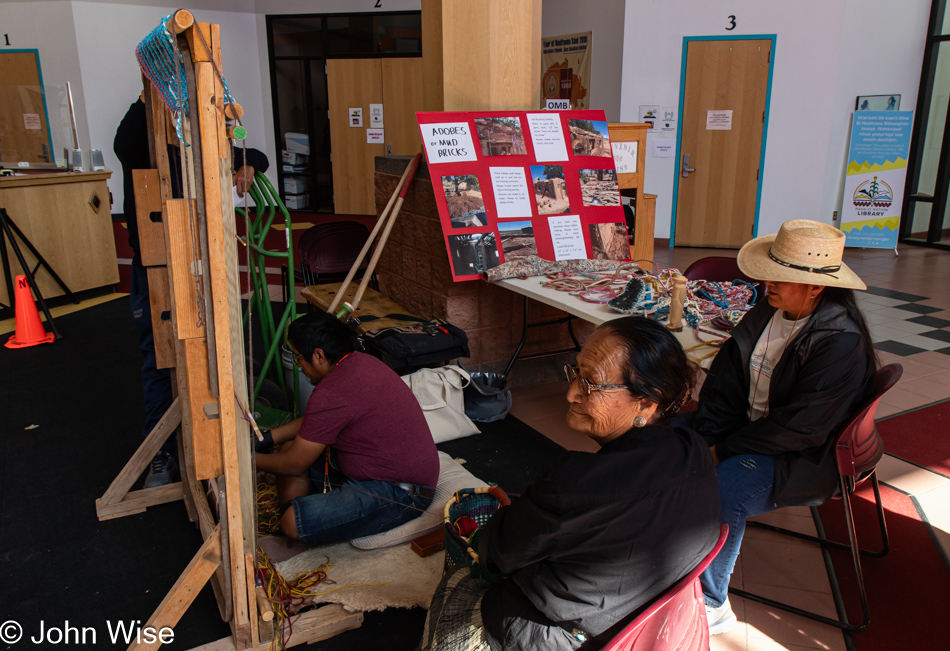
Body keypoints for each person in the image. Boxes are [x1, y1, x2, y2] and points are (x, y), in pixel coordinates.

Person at [421, 317, 720, 651]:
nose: (572, 392)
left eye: (590, 383)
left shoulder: (577, 481)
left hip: (562, 637)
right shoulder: (693, 449)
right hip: (638, 625)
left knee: (458, 583)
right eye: (575, 371)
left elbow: (496, 553)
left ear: (647, 403)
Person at [683, 219, 877, 634]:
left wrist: (723, 449)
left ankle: (712, 603)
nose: (768, 281)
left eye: (782, 276)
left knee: (724, 489)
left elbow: (802, 428)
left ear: (816, 288)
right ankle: (666, 552)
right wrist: (707, 438)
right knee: (666, 443)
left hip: (800, 455)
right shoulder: (767, 311)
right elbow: (723, 387)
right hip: (748, 432)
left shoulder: (839, 341)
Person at [114, 92, 268, 487]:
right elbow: (124, 142)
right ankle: (162, 452)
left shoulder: (197, 146)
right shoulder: (141, 140)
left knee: (217, 348)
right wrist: (151, 89)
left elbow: (254, 155)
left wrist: (249, 164)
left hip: (203, 266)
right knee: (159, 358)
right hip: (156, 268)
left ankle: (217, 440)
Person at [255, 311, 439, 543]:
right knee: (288, 446)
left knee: (292, 521)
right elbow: (318, 421)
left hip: (401, 493)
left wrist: (245, 459)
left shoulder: (331, 392)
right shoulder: (361, 361)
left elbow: (294, 464)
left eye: (298, 357)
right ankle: (308, 520)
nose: (299, 365)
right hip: (385, 473)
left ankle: (300, 524)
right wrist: (267, 438)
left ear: (319, 355)